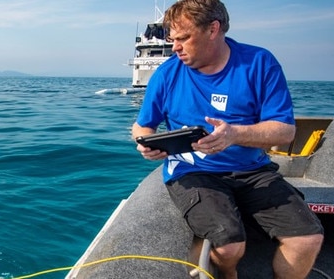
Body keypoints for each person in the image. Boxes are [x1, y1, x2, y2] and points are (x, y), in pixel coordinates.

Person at [131, 0, 324, 278]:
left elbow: (284, 131)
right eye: (173, 40)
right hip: (193, 171)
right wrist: (146, 143)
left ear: (213, 29)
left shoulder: (259, 62)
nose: (175, 47)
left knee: (307, 239)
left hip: (254, 171)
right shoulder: (166, 73)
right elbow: (142, 127)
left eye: (183, 38)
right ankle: (229, 273)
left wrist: (234, 134)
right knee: (229, 247)